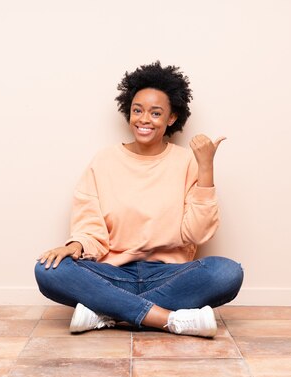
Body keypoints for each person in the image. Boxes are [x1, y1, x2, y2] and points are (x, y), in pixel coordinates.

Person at [34, 61, 244, 338]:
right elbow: (90, 227)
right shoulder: (104, 160)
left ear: (171, 118)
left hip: (169, 275)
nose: (144, 119)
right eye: (138, 110)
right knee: (48, 270)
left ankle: (108, 313)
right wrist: (74, 246)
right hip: (111, 274)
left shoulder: (186, 162)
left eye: (156, 113)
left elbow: (197, 233)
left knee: (227, 272)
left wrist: (206, 168)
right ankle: (167, 318)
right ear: (128, 112)